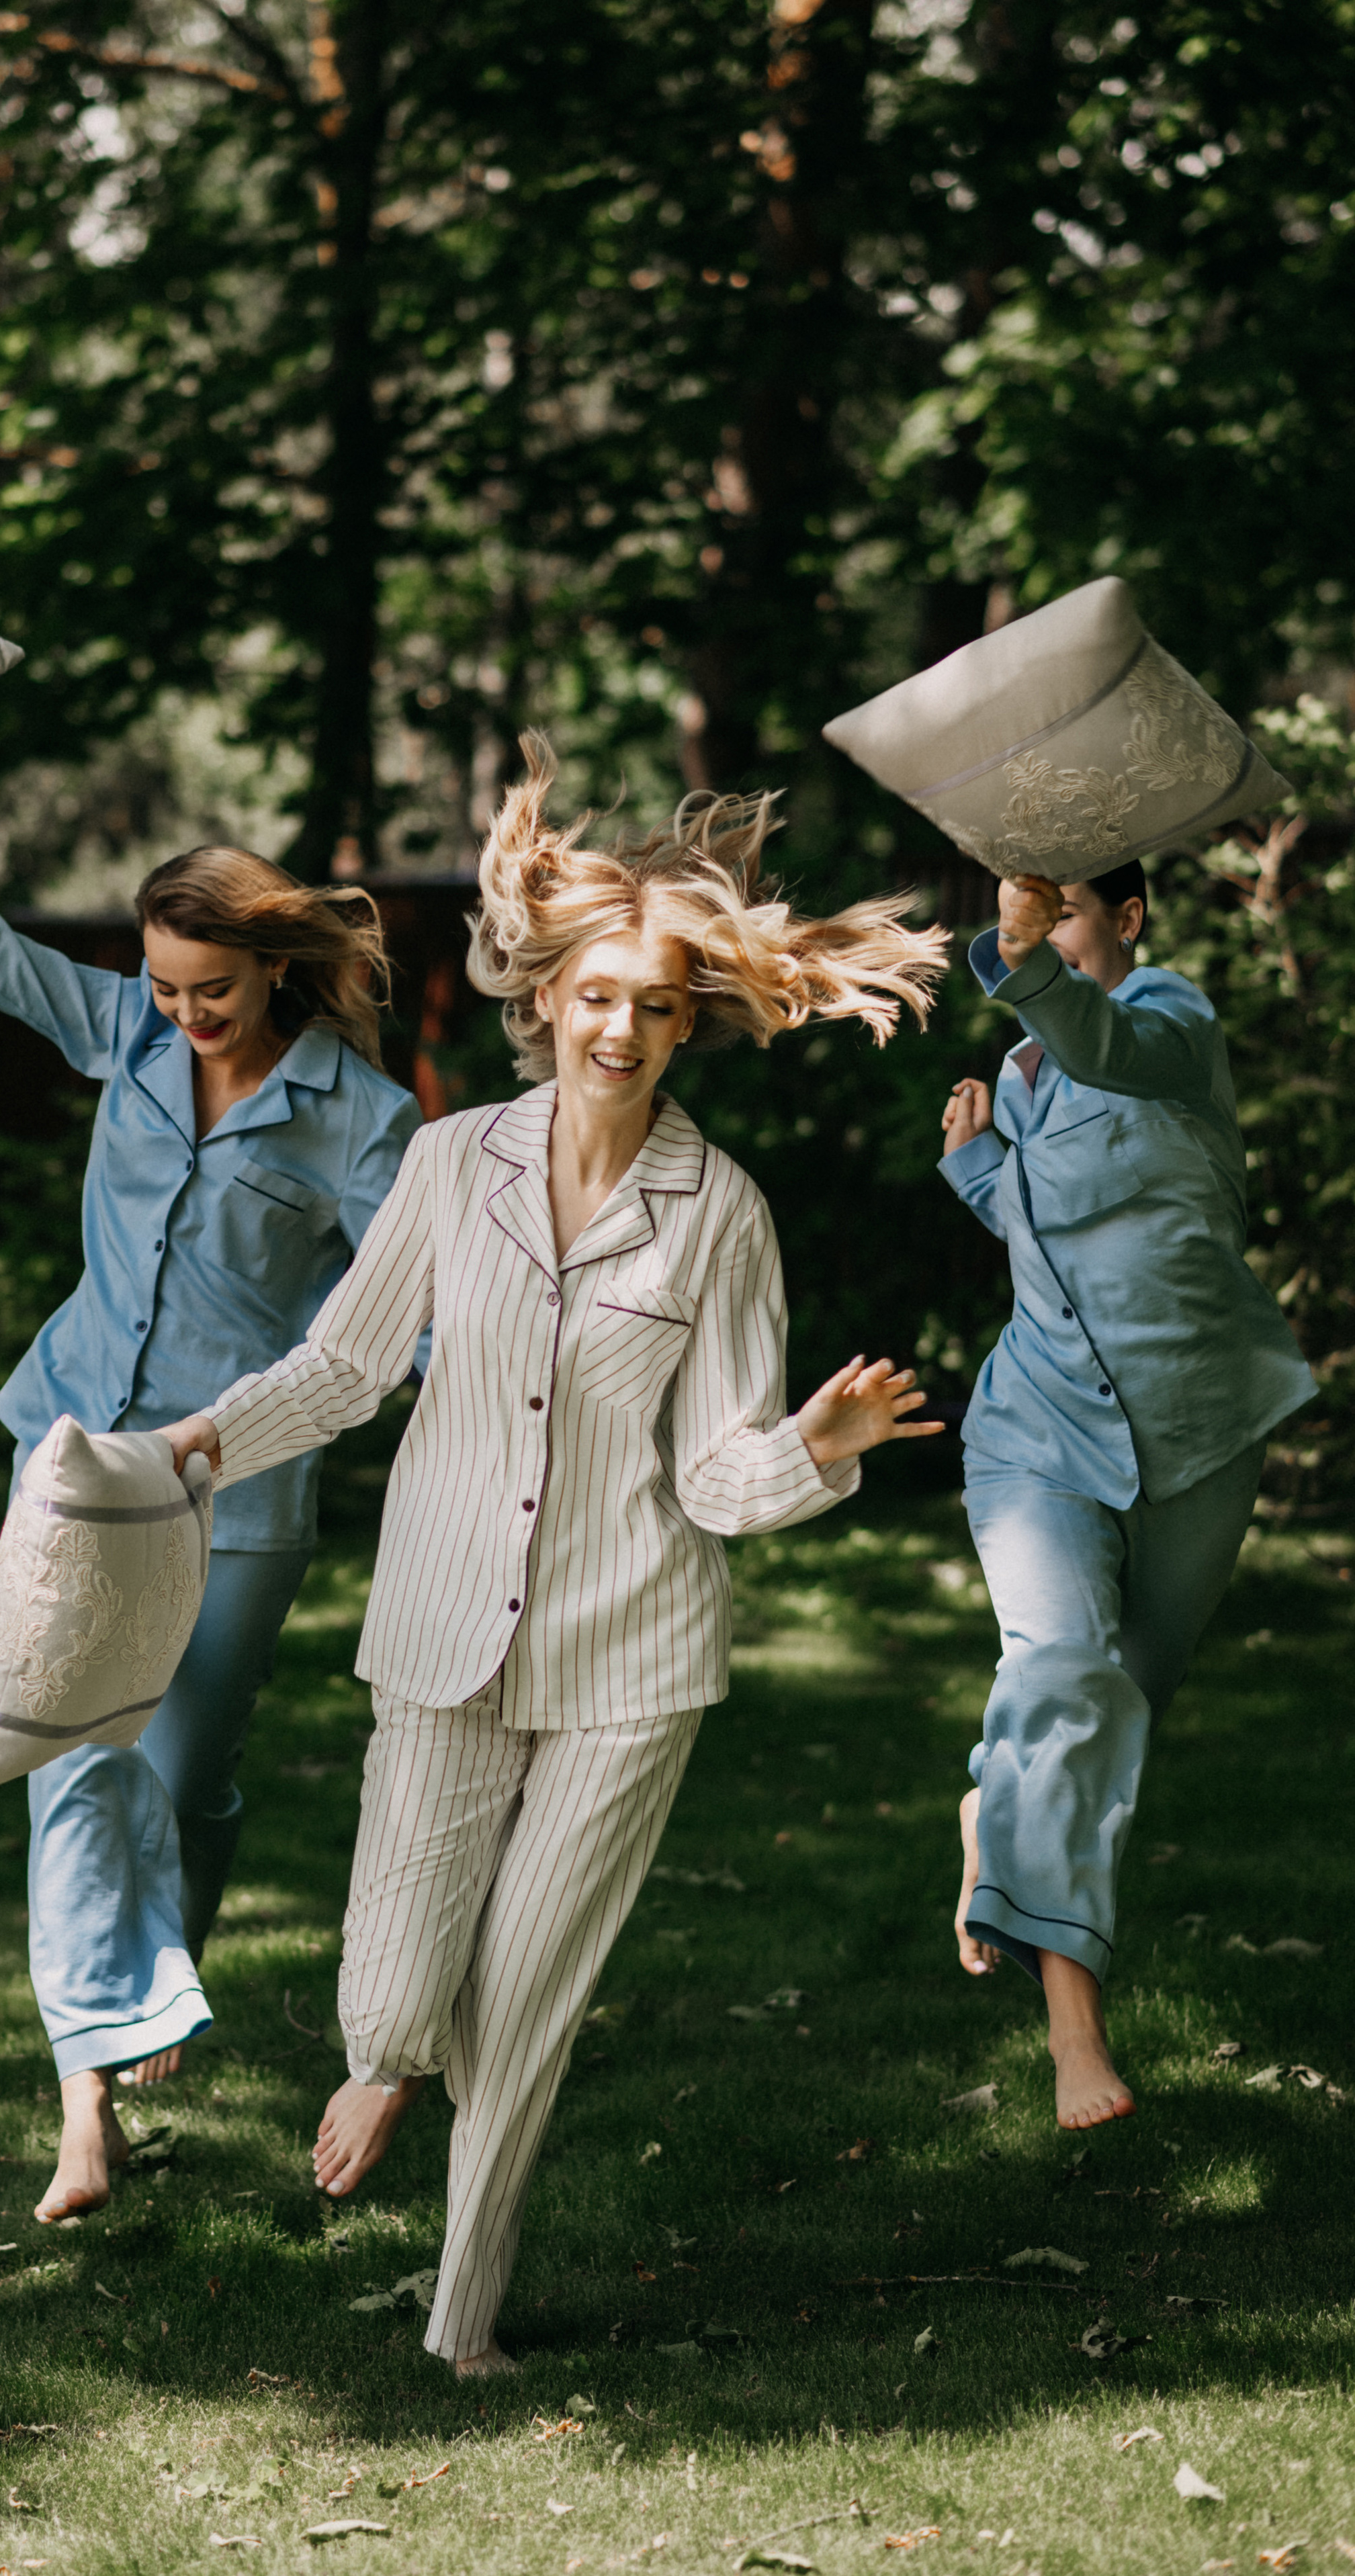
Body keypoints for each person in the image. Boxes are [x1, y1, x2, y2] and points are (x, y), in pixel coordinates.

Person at [156, 735, 948, 2377]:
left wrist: (815, 1446)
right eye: (597, 995)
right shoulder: (453, 1166)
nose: (619, 1031)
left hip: (626, 1657)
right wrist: (200, 1442)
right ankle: (385, 2062)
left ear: (687, 1022)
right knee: (395, 1988)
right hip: (441, 1629)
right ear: (545, 996)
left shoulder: (718, 1211)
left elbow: (714, 1478)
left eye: (654, 1006)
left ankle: (461, 2326)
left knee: (523, 1995)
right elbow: (344, 1367)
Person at [0, 756, 422, 2221]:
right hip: (76, 1460)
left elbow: (403, 1317)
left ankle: (158, 1968)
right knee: (74, 1762)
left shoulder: (361, 1118)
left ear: (275, 966)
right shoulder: (121, 1032)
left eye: (211, 988)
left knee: (185, 1775)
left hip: (237, 1490)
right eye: (165, 987)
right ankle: (86, 2109)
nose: (184, 1013)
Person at [938, 866, 1315, 2130]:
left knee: (1122, 1705)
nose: (1031, 936)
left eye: (1057, 911)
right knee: (1070, 1681)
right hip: (1036, 1429)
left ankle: (998, 1800)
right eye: (1018, 914)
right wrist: (980, 1168)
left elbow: (1107, 1049)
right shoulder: (1025, 1077)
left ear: (1127, 919)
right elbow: (1054, 1237)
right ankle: (1074, 2033)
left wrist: (1027, 969)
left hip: (1199, 1432)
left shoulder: (1171, 1021)